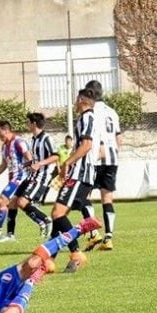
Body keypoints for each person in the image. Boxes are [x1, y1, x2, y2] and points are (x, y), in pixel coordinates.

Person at [47, 88, 101, 273]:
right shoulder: (90, 119)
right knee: (58, 218)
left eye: (76, 99)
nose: (74, 102)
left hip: (79, 174)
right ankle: (49, 259)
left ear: (81, 100)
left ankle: (76, 253)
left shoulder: (87, 118)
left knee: (57, 214)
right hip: (82, 174)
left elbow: (86, 145)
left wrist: (67, 163)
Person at [2, 113, 56, 242]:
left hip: (41, 176)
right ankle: (10, 235)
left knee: (22, 202)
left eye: (28, 122)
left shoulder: (46, 138)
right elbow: (36, 159)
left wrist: (39, 164)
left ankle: (45, 220)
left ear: (34, 124)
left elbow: (55, 156)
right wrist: (26, 164)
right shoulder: (34, 139)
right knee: (13, 202)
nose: (26, 124)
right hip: (32, 174)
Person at [83, 80, 123, 251]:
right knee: (107, 199)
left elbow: (94, 136)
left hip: (96, 158)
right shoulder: (112, 112)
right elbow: (118, 139)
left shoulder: (92, 113)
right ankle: (108, 238)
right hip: (112, 159)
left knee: (83, 196)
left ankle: (93, 234)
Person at [0, 120, 33, 242]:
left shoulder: (19, 142)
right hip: (13, 178)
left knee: (2, 200)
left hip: (20, 178)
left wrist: (26, 171)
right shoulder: (4, 146)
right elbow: (4, 164)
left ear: (6, 130)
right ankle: (11, 235)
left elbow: (30, 159)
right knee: (13, 205)